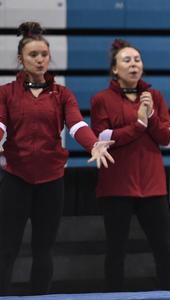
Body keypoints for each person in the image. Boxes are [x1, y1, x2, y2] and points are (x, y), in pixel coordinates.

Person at [0, 22, 114, 296]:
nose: (40, 60)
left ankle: (40, 295)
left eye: (44, 55)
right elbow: (1, 125)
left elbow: (76, 125)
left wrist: (93, 145)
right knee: (6, 247)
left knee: (44, 248)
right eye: (33, 55)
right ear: (21, 59)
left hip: (51, 180)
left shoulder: (62, 94)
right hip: (16, 178)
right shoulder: (6, 93)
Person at [90, 39, 170, 291]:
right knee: (116, 250)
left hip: (152, 187)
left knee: (163, 248)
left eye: (137, 60)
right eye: (126, 60)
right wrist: (138, 125)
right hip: (116, 187)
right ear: (115, 69)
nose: (133, 65)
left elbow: (169, 139)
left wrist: (150, 117)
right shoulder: (101, 99)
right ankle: (113, 296)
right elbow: (102, 138)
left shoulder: (155, 96)